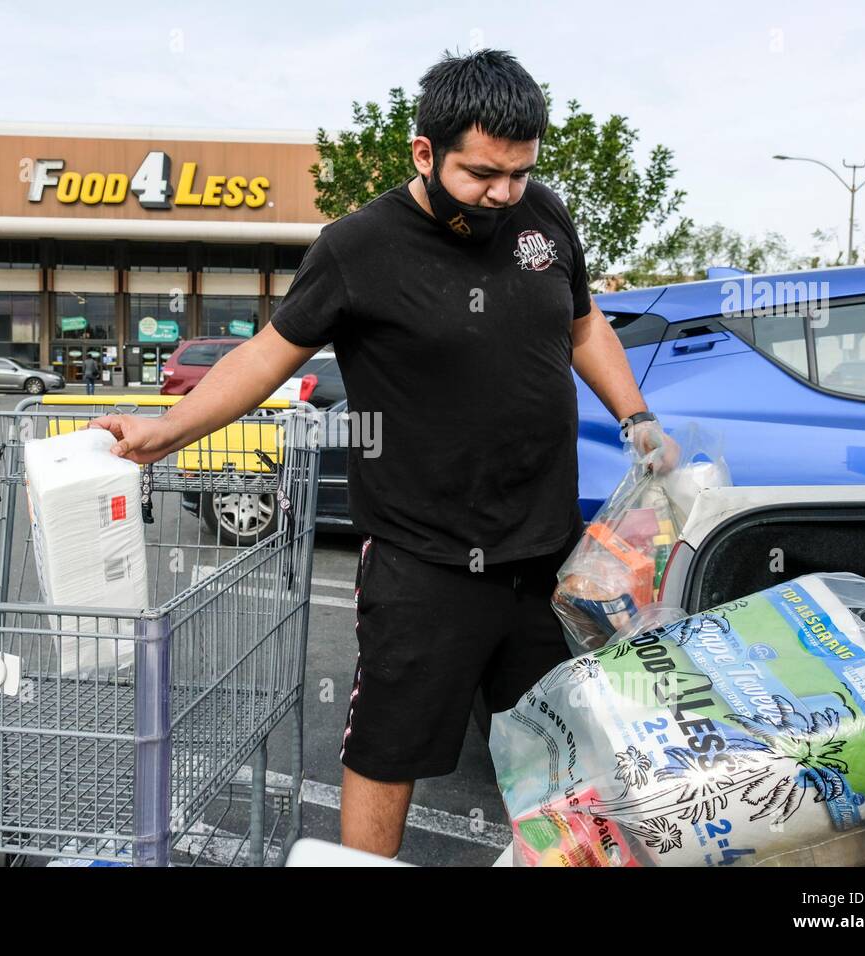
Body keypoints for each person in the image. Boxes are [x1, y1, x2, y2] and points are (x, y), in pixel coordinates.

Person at [90, 49, 677, 858]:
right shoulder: (358, 247)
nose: (504, 196)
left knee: (558, 750)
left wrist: (636, 414)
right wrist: (165, 432)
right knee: (388, 750)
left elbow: (584, 324)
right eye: (482, 176)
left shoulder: (544, 215)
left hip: (547, 553)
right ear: (424, 154)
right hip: (423, 557)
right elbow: (267, 355)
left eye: (519, 173)